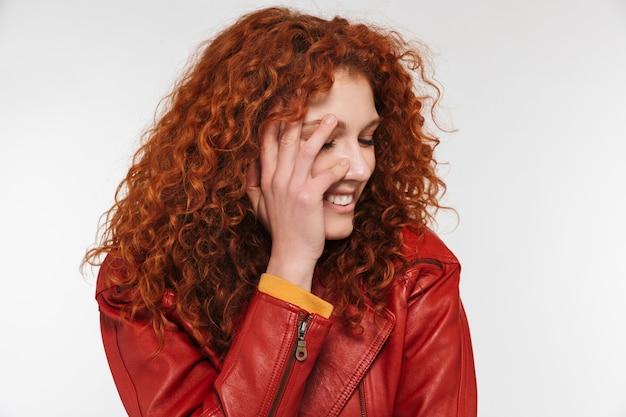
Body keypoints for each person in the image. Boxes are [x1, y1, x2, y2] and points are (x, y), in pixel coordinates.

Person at [85, 6, 477, 416]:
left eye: (366, 139)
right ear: (241, 146)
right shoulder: (140, 284)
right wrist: (290, 269)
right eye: (323, 142)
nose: (361, 168)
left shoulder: (415, 271)